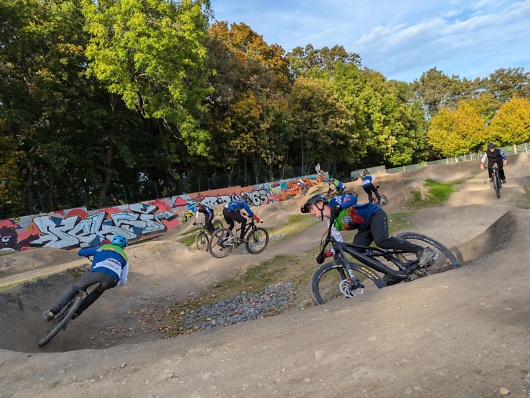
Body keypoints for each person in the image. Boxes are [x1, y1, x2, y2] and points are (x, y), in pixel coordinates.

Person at [300, 193, 436, 267]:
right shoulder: (332, 224)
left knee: (381, 240)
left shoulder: (335, 202)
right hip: (364, 228)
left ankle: (422, 250)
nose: (311, 212)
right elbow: (339, 245)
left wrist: (339, 208)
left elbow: (352, 197)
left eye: (311, 209)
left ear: (320, 204)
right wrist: (325, 255)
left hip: (374, 214)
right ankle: (388, 272)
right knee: (356, 250)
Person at [43, 234, 130, 321]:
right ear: (124, 247)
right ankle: (77, 312)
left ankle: (53, 312)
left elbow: (81, 252)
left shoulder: (103, 247)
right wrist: (118, 283)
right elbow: (123, 280)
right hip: (112, 279)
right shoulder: (125, 257)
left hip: (97, 271)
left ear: (112, 242)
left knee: (75, 288)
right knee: (97, 292)